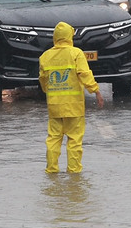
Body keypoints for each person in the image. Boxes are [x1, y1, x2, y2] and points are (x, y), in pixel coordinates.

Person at [38, 21, 102, 174]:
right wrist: (96, 91)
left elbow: (43, 80)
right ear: (69, 37)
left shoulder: (45, 56)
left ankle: (51, 169)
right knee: (74, 140)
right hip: (74, 106)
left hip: (54, 106)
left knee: (53, 139)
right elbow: (84, 74)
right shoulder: (76, 53)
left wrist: (50, 91)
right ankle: (74, 173)